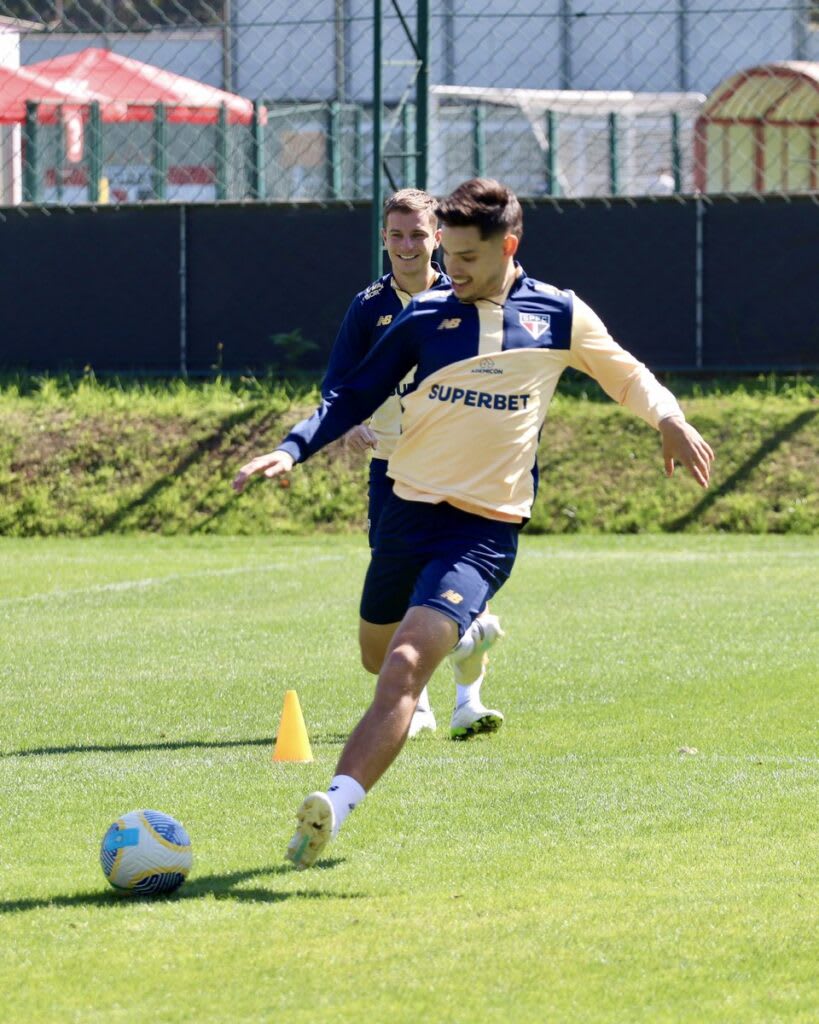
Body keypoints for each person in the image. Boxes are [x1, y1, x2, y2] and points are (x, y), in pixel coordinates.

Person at [233, 177, 714, 871]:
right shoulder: (424, 315)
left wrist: (668, 418)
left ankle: (332, 806)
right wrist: (290, 448)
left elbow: (627, 375)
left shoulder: (558, 314)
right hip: (405, 512)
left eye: (463, 257)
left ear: (506, 246)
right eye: (445, 255)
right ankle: (470, 635)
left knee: (402, 665)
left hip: (481, 531)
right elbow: (355, 393)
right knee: (376, 656)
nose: (447, 269)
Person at [322, 187, 505, 741]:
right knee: (403, 587)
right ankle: (417, 702)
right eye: (397, 235)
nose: (407, 245)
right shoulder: (368, 307)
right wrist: (346, 421)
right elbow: (337, 382)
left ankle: (468, 702)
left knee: (462, 588)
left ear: (439, 238)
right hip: (393, 469)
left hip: (460, 466)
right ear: (383, 239)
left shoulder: (467, 297)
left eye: (418, 235)